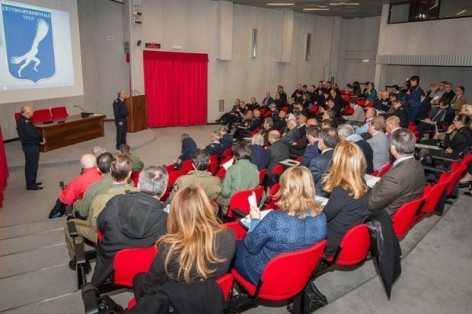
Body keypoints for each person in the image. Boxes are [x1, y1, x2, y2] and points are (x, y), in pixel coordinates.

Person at [132, 186, 236, 312]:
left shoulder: (169, 246)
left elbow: (148, 286)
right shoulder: (229, 235)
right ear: (207, 206)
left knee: (138, 279)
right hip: (210, 295)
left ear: (176, 213)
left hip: (176, 302)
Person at [233, 166, 327, 285]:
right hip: (299, 272)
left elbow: (251, 247)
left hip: (263, 273)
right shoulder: (322, 218)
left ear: (286, 190)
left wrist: (255, 220)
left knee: (232, 245)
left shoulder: (275, 219)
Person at [92, 166, 169, 287]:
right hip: (147, 271)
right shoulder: (169, 220)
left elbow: (100, 225)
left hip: (109, 263)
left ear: (138, 184)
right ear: (164, 190)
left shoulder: (116, 202)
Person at [64, 154, 135, 270]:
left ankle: (77, 259)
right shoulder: (133, 187)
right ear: (128, 173)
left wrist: (76, 202)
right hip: (127, 230)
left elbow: (83, 213)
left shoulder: (96, 191)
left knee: (69, 225)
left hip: (104, 233)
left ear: (98, 168)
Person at [322, 142, 371, 257]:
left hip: (333, 243)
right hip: (348, 239)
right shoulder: (364, 186)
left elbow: (323, 218)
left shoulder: (341, 191)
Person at [369, 129, 425, 215]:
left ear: (393, 148)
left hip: (386, 215)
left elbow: (372, 204)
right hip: (405, 211)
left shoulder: (394, 177)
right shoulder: (418, 165)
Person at [49, 154, 102, 218]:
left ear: (82, 165)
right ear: (96, 163)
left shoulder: (79, 180)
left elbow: (67, 200)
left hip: (88, 209)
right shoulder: (104, 174)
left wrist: (64, 192)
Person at [217, 142, 259, 212]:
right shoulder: (255, 167)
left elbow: (225, 193)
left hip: (234, 202)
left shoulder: (231, 169)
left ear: (235, 155)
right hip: (249, 201)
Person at [73, 152, 114, 219]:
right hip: (121, 219)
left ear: (97, 168)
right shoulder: (128, 182)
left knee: (68, 227)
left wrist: (75, 205)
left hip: (100, 223)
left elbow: (83, 212)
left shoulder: (93, 188)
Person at [16, 105, 45, 190]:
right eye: (32, 111)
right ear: (27, 113)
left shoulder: (23, 120)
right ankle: (31, 185)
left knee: (31, 165)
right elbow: (33, 134)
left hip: (29, 146)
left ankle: (32, 182)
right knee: (32, 165)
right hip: (30, 147)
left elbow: (32, 132)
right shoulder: (24, 122)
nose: (33, 112)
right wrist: (41, 139)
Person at [309, 128, 339, 197]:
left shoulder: (316, 161)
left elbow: (311, 184)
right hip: (334, 195)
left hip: (318, 197)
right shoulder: (340, 155)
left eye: (319, 139)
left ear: (322, 141)